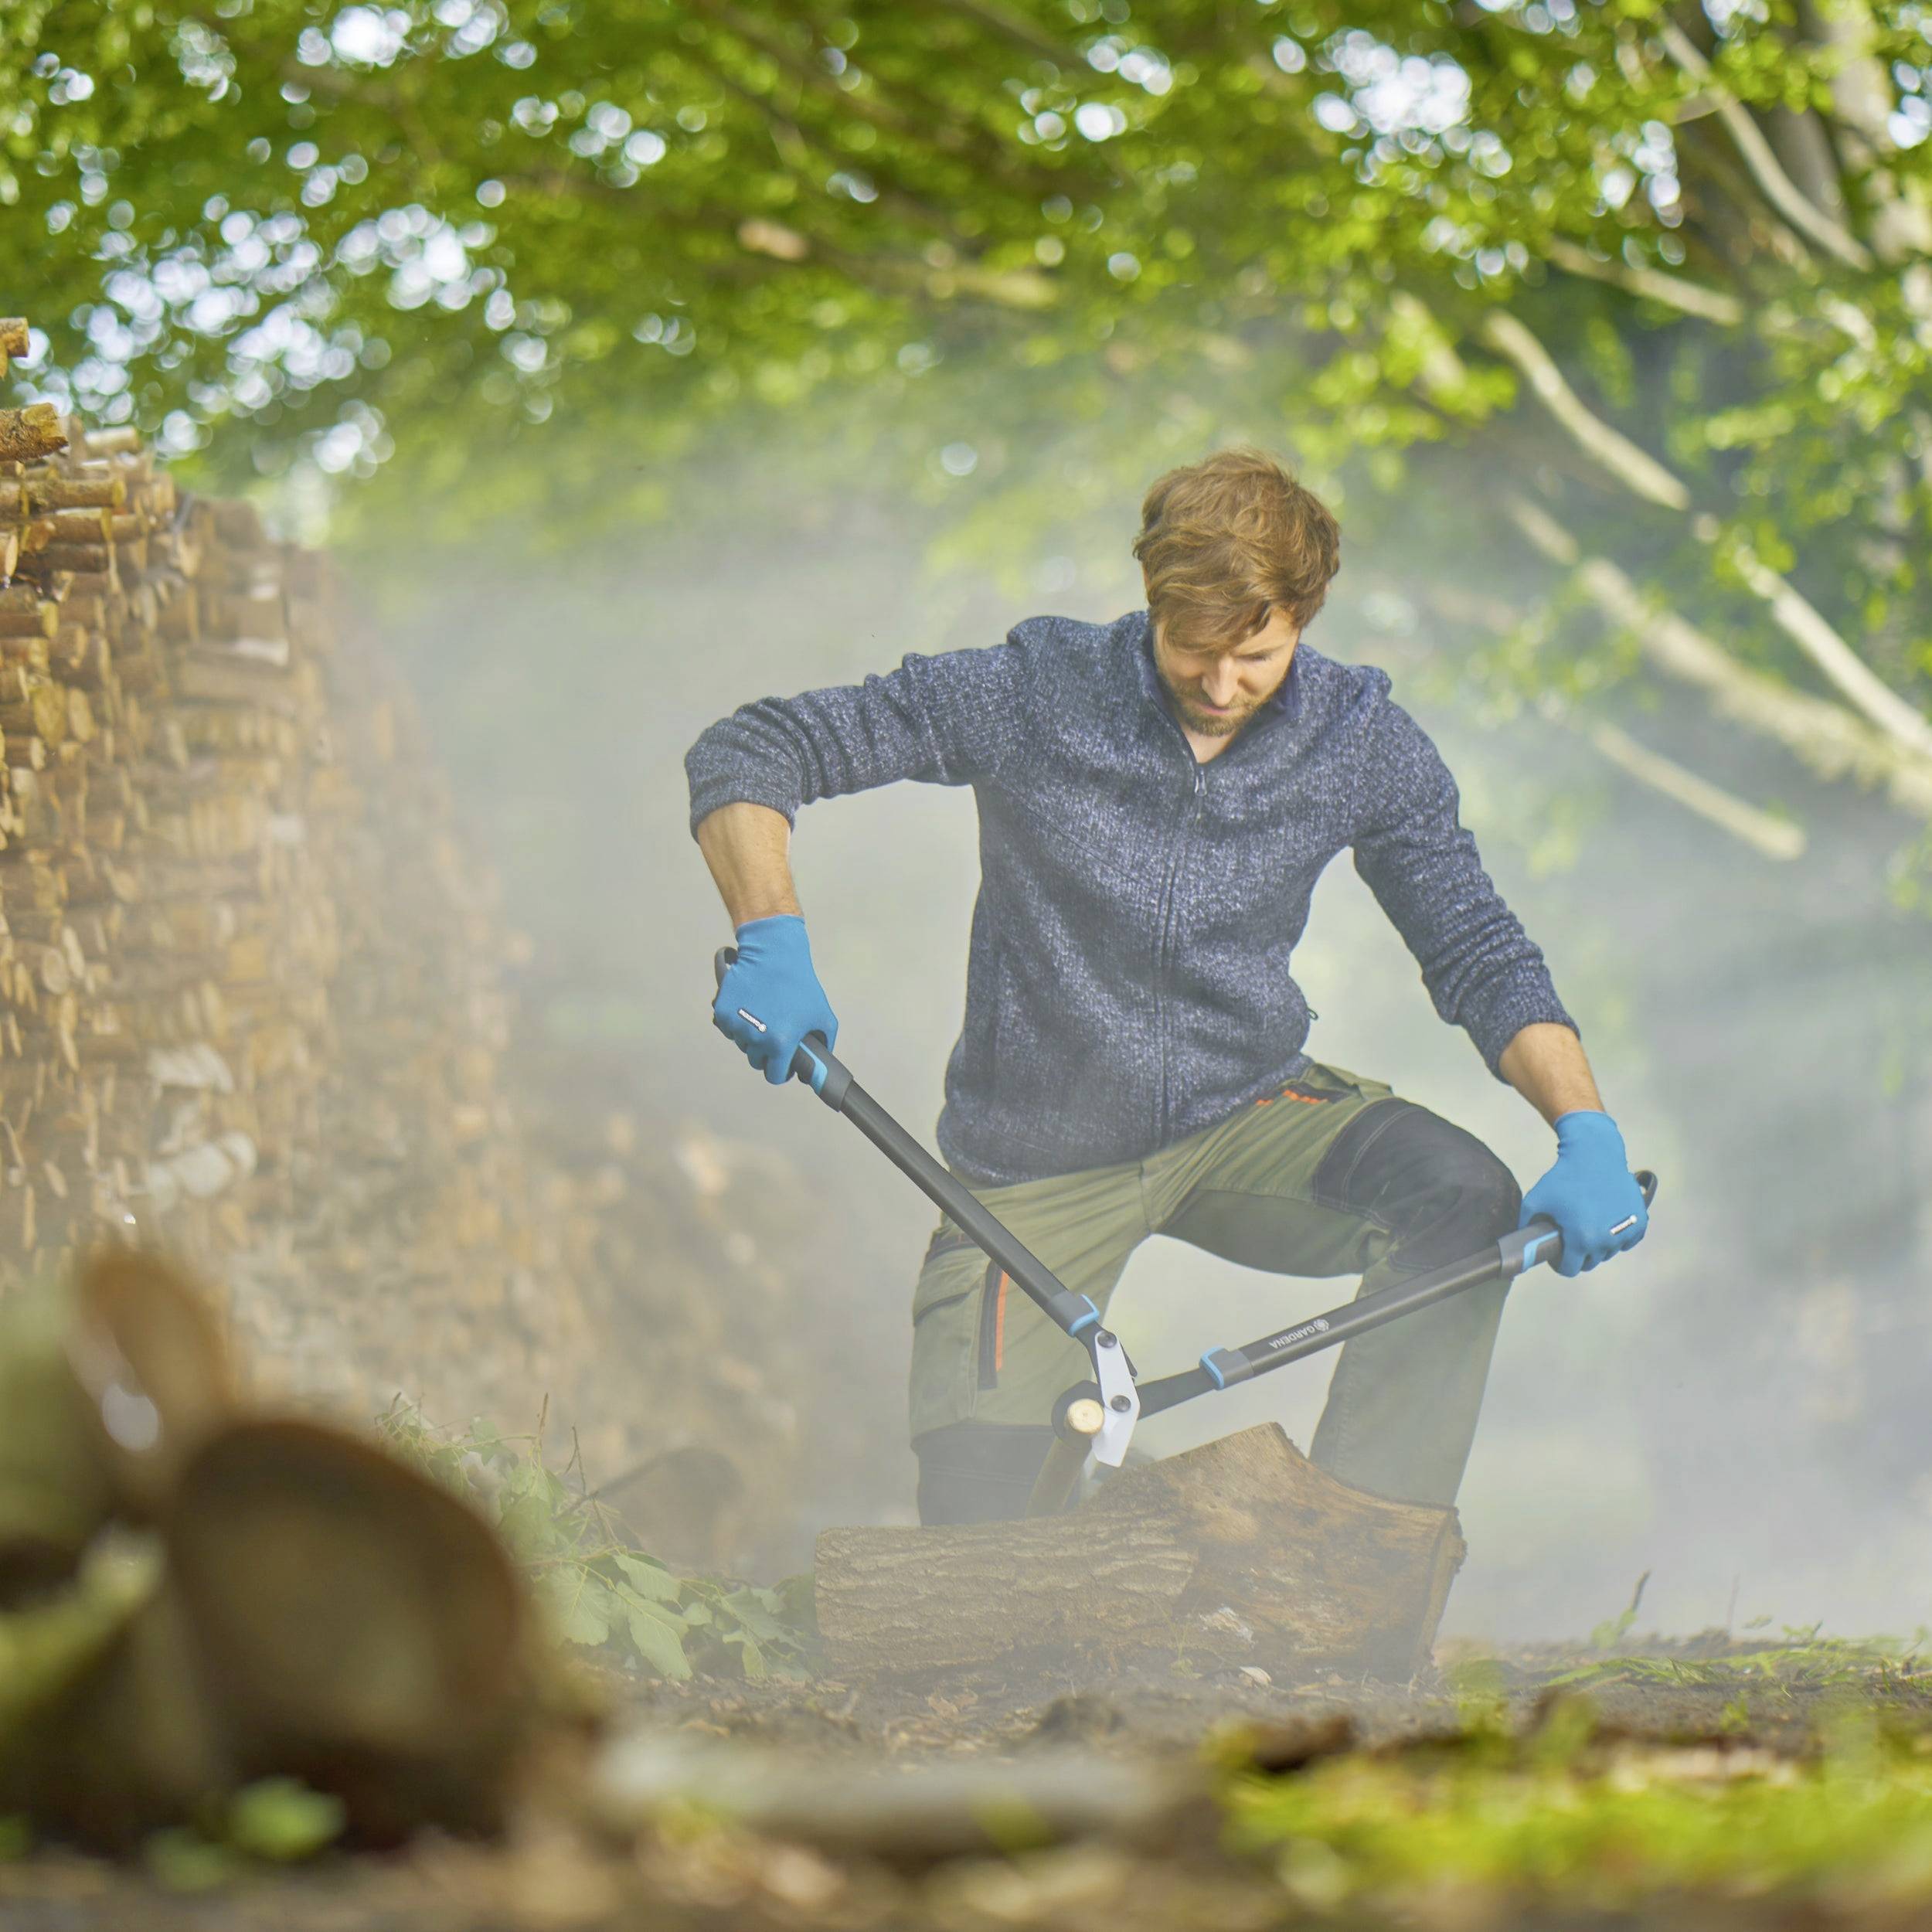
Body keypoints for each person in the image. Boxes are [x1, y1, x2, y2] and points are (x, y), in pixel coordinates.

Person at [685, 446, 1648, 1526]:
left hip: (1244, 1111)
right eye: (1193, 647)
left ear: (1304, 618)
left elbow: (1477, 947)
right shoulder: (1034, 692)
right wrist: (770, 935)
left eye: (1259, 654)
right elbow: (754, 749)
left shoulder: (1360, 744)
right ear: (1153, 603)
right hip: (1033, 1164)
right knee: (979, 1539)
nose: (1221, 685)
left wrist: (1586, 1130)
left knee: (1463, 1203)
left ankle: (1358, 1563)